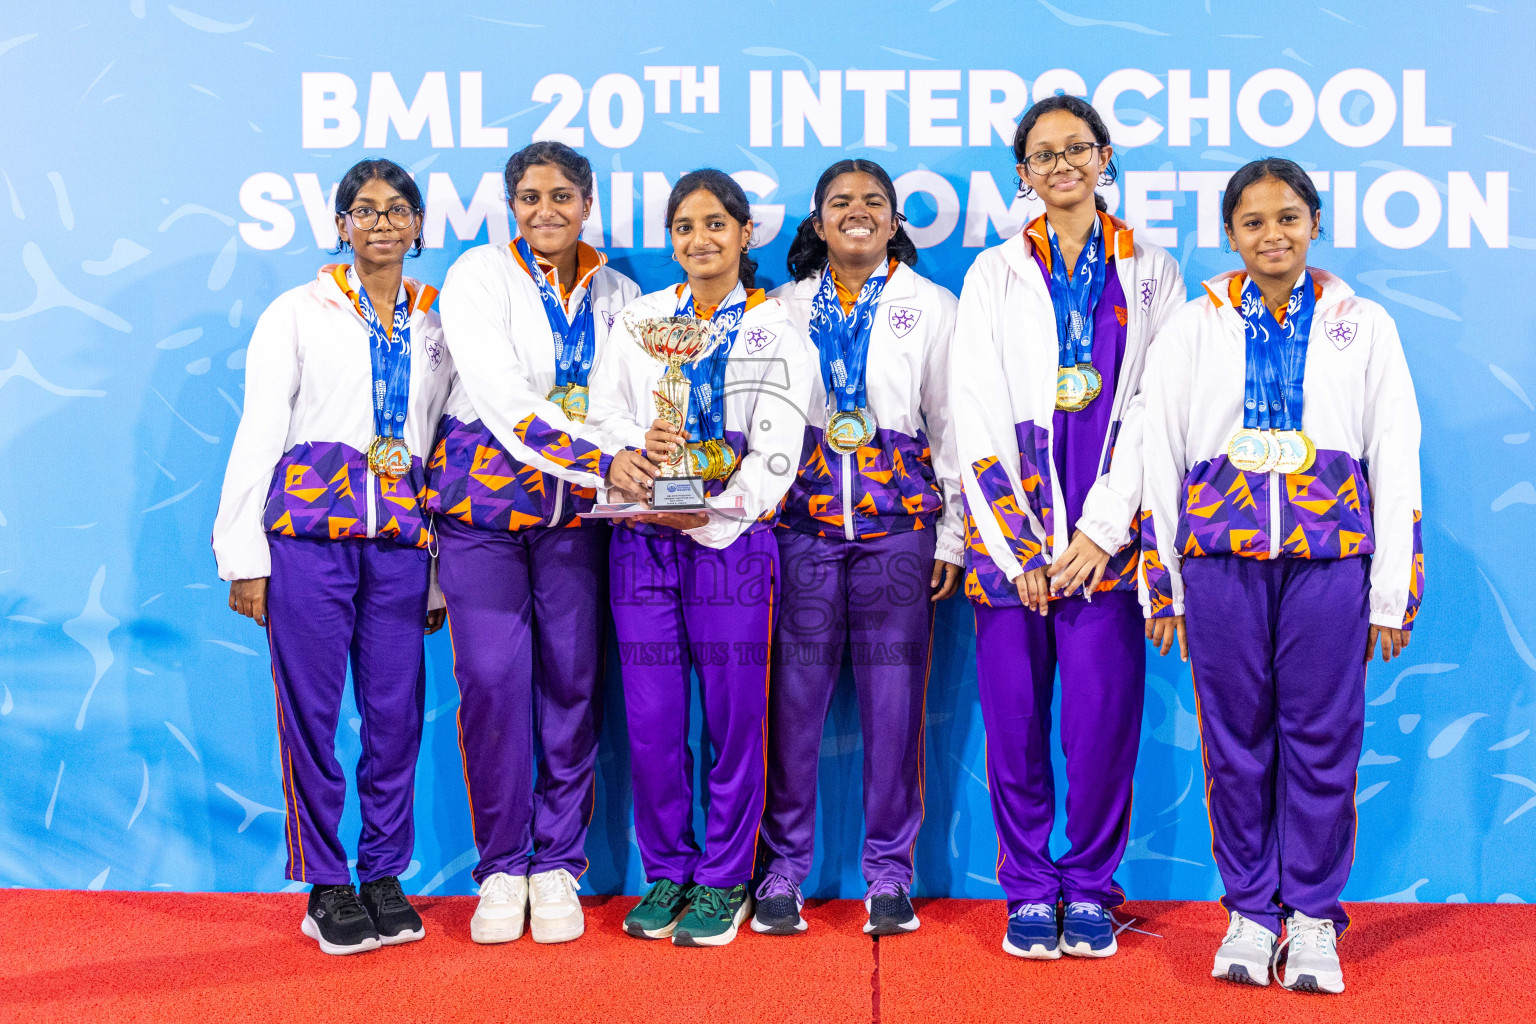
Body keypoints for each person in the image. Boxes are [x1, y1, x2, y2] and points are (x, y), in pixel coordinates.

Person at [1138, 157, 1423, 994]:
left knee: (1322, 741)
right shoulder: (1194, 325)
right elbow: (1161, 450)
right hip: (1220, 559)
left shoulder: (1362, 323)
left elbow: (1396, 453)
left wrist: (1391, 587)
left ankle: (1311, 917)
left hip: (1330, 561)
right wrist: (1165, 582)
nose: (1273, 234)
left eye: (1289, 217)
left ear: (1315, 223)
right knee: (1235, 745)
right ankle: (1250, 911)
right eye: (1254, 221)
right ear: (1230, 234)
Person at [950, 95, 1185, 960]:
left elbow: (1160, 409)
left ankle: (1088, 886)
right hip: (1010, 537)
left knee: (1100, 722)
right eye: (1042, 154)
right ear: (1023, 171)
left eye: (1075, 149)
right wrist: (1017, 546)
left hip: (1107, 539)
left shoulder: (1153, 268)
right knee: (1013, 723)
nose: (1060, 165)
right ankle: (1026, 888)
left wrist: (1099, 528)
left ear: (1104, 155)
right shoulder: (992, 271)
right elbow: (971, 409)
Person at [213, 158, 452, 955]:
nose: (381, 222)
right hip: (308, 541)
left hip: (399, 545)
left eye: (397, 209)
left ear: (419, 224)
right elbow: (259, 426)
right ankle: (325, 882)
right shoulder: (297, 311)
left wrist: (440, 568)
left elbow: (447, 445)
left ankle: (383, 873)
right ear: (341, 223)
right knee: (313, 718)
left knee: (395, 718)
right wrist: (242, 552)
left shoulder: (439, 320)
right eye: (364, 208)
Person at [585, 169, 815, 947]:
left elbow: (781, 446)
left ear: (746, 234)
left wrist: (710, 517)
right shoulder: (643, 321)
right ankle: (668, 869)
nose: (699, 239)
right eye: (684, 226)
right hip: (643, 542)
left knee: (732, 717)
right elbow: (605, 412)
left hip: (731, 546)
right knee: (651, 719)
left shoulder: (777, 327)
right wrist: (632, 454)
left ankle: (724, 879)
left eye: (716, 223)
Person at [427, 141, 643, 944]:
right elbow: (505, 398)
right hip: (484, 510)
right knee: (490, 681)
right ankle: (502, 864)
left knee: (573, 685)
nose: (544, 210)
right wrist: (603, 461)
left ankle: (557, 859)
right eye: (528, 197)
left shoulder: (621, 293)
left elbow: (628, 397)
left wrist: (640, 461)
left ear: (589, 201)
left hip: (580, 518)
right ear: (509, 206)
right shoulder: (478, 277)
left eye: (561, 195)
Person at [754, 159, 962, 938]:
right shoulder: (779, 309)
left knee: (893, 707)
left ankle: (889, 875)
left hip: (898, 531)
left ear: (895, 219)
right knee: (794, 708)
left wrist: (953, 533)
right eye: (840, 202)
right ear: (816, 221)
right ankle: (781, 871)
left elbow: (949, 423)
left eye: (874, 201)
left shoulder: (931, 307)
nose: (858, 212)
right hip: (801, 531)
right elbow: (754, 423)